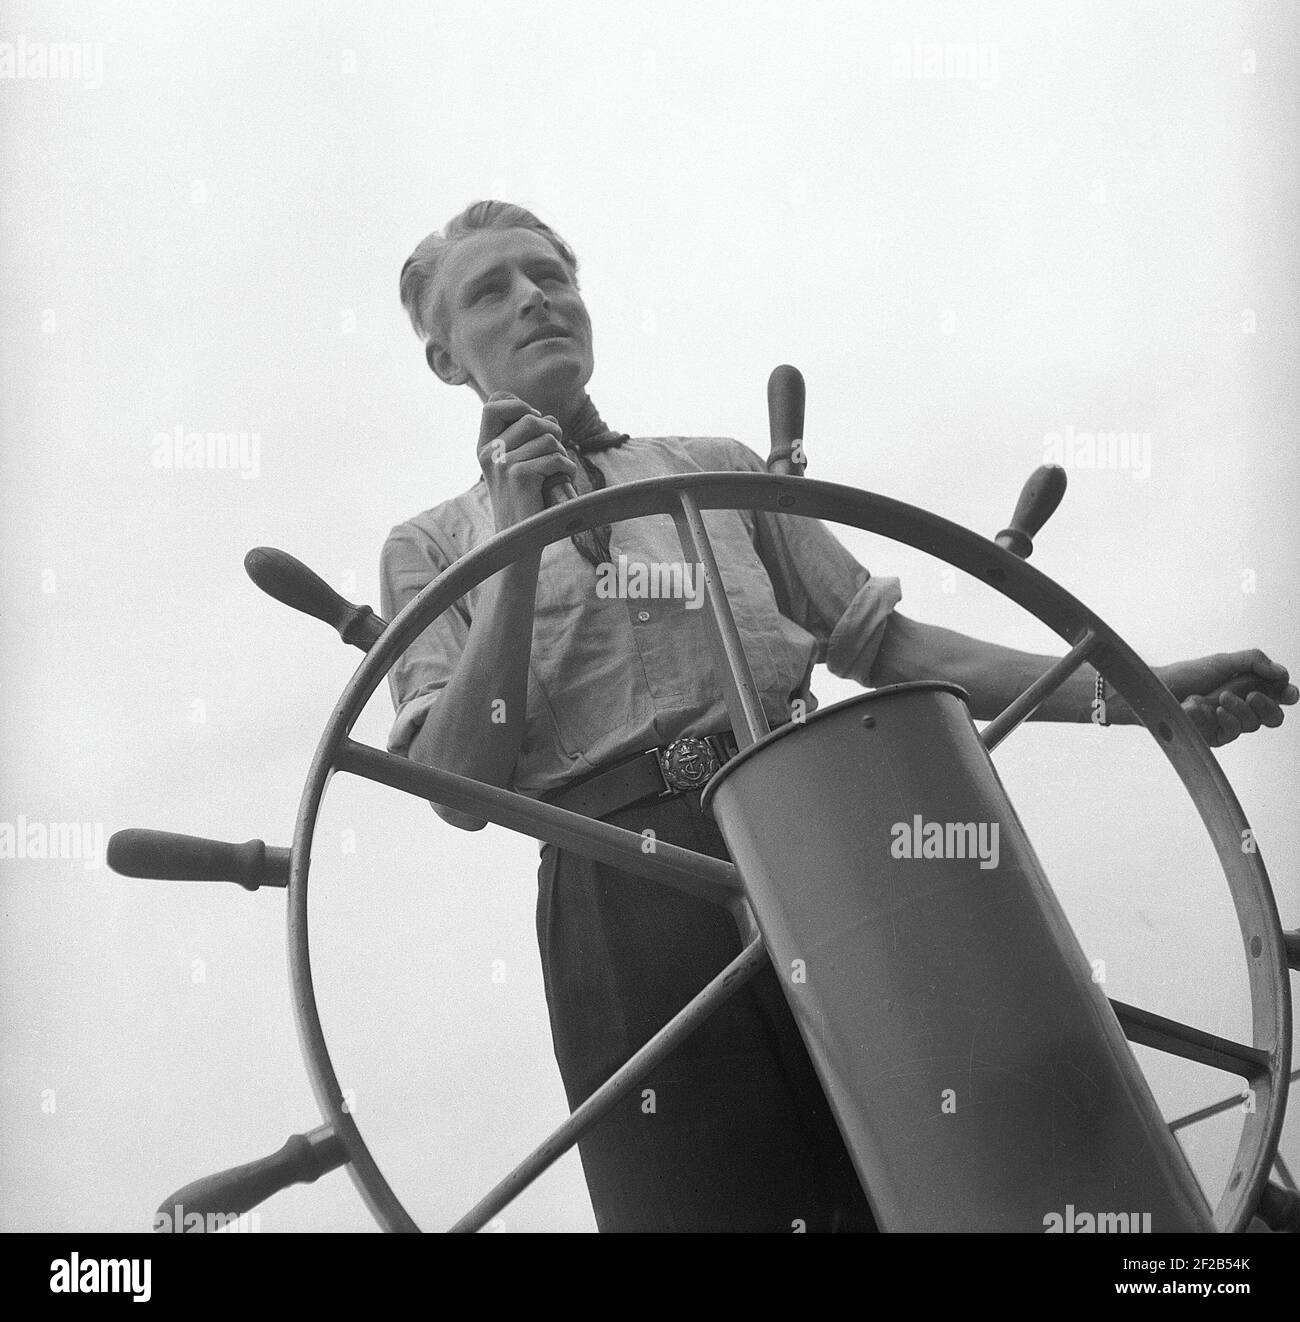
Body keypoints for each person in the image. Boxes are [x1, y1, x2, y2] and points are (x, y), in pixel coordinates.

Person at [380, 200, 1296, 1232]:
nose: (535, 298)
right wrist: (515, 540)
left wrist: (1138, 696)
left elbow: (895, 652)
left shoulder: (711, 467)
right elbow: (456, 783)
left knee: (983, 1161)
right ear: (445, 359)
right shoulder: (430, 547)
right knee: (707, 1195)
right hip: (622, 890)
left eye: (551, 274)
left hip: (822, 838)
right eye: (491, 289)